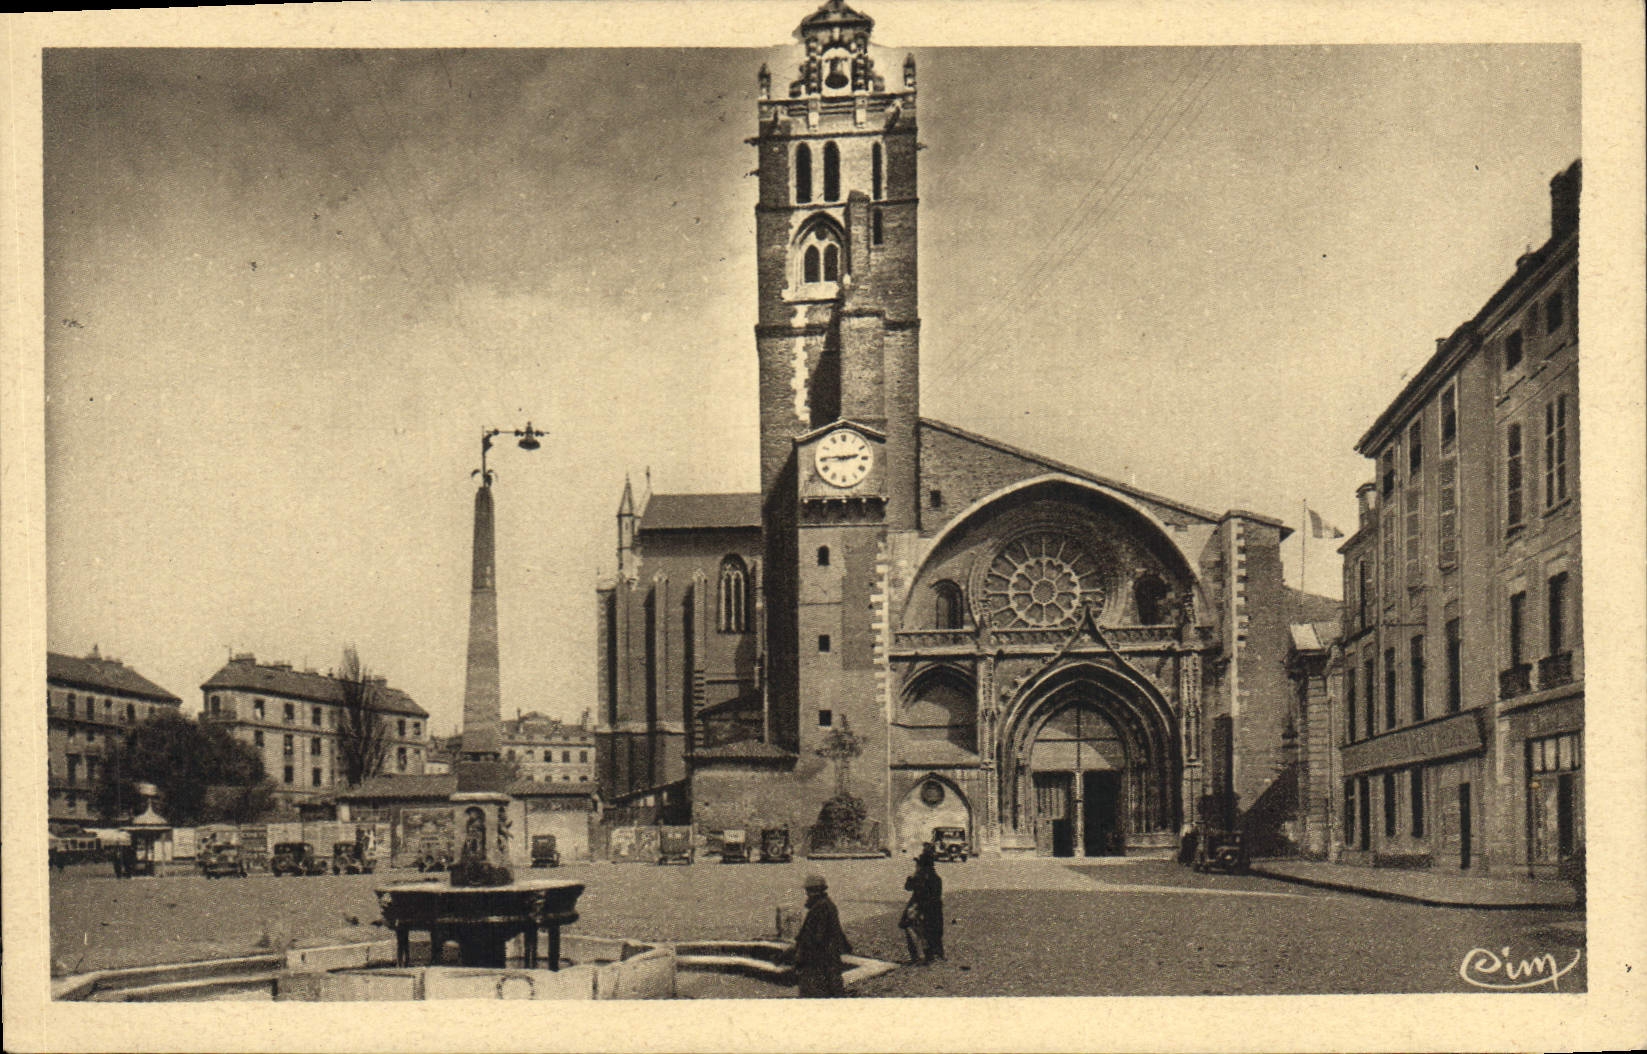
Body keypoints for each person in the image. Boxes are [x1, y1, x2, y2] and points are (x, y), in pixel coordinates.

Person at [792, 873, 852, 997]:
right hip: (828, 958)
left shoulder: (820, 908)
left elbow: (816, 938)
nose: (807, 894)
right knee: (832, 989)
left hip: (820, 960)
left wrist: (801, 955)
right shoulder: (826, 905)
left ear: (814, 891)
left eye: (808, 891)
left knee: (818, 991)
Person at [903, 845, 945, 963]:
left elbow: (908, 887)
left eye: (918, 865)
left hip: (922, 909)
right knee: (930, 932)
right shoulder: (936, 878)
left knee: (912, 927)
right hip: (932, 910)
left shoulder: (921, 878)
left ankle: (920, 956)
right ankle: (933, 954)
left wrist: (912, 876)